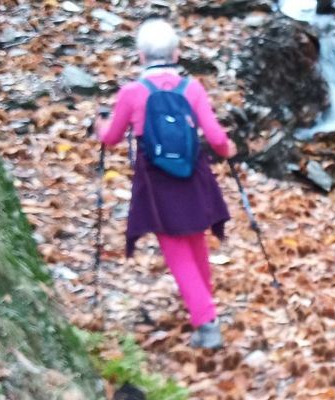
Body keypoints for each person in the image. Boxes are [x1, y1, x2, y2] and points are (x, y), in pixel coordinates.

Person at [96, 19, 238, 350]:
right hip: (193, 173)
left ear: (141, 56)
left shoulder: (132, 93)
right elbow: (216, 137)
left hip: (156, 180)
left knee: (177, 252)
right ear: (176, 54)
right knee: (195, 239)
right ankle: (206, 307)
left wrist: (99, 127)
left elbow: (113, 138)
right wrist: (228, 149)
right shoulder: (192, 88)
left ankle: (207, 323)